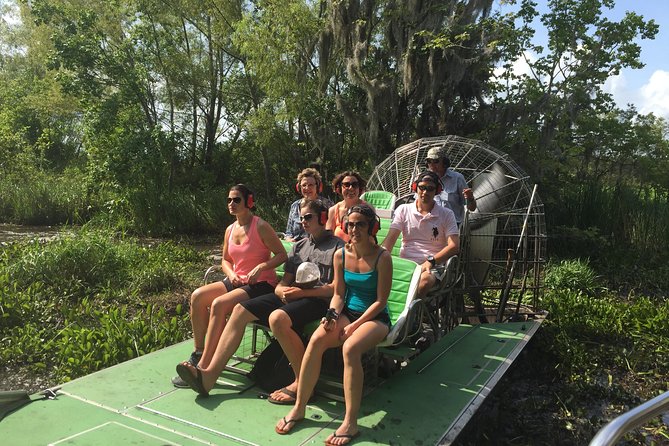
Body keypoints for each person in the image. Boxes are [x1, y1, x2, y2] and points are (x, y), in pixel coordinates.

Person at [175, 199, 344, 397]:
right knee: (240, 310)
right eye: (301, 218)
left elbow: (334, 289)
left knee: (278, 318)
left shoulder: (338, 248)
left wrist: (302, 293)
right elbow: (284, 281)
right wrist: (281, 290)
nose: (303, 222)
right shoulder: (298, 247)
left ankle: (303, 383)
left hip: (316, 301)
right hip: (292, 297)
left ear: (323, 218)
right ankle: (208, 376)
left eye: (308, 217)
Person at [275, 203, 392, 446]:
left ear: (372, 227)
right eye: (350, 224)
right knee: (317, 340)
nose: (355, 229)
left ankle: (350, 422)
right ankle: (299, 407)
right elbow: (338, 294)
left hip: (374, 318)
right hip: (346, 311)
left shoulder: (382, 257)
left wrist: (354, 326)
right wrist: (331, 315)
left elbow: (381, 301)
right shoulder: (341, 254)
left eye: (360, 224)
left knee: (350, 348)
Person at [172, 184, 287, 388]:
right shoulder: (229, 229)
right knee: (198, 297)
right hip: (236, 280)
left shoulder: (260, 226)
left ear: (248, 202)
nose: (231, 204)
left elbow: (282, 255)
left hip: (259, 284)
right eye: (229, 200)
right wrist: (231, 273)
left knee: (219, 304)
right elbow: (225, 260)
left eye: (236, 200)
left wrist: (262, 266)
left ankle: (203, 368)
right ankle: (198, 353)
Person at [382, 171, 459, 298]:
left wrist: (431, 261)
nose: (425, 192)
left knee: (423, 282)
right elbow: (389, 240)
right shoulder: (403, 210)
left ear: (437, 191)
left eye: (430, 189)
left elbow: (454, 246)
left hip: (433, 266)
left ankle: (413, 314)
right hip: (405, 264)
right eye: (422, 187)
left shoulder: (447, 214)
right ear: (415, 188)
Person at [425, 146, 476, 225]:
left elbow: (472, 208)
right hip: (429, 225)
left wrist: (470, 198)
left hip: (451, 226)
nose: (432, 164)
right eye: (429, 161)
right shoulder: (423, 180)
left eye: (436, 161)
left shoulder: (457, 178)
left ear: (445, 162)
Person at [285, 168, 333, 242]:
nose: (307, 188)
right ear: (299, 188)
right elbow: (289, 233)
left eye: (310, 185)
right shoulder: (294, 206)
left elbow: (330, 231)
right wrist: (289, 240)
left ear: (318, 186)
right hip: (296, 246)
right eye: (304, 185)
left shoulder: (327, 205)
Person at [326, 171, 368, 242]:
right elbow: (328, 239)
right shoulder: (333, 210)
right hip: (338, 251)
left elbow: (371, 238)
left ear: (359, 188)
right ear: (339, 188)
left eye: (355, 185)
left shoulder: (368, 208)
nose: (351, 188)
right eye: (346, 185)